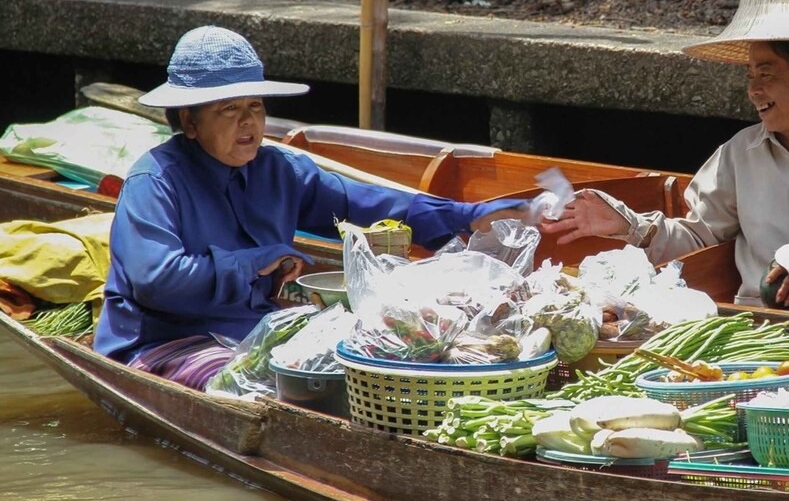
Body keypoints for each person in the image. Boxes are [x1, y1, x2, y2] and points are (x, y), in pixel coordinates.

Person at [93, 25, 526, 389]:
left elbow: (366, 203)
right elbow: (157, 281)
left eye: (256, 107)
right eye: (230, 110)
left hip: (252, 327)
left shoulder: (279, 170)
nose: (249, 123)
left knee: (368, 364)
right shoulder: (154, 181)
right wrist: (256, 262)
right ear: (189, 121)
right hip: (166, 342)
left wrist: (468, 217)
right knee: (261, 387)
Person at [540, 0, 789, 321]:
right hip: (763, 332)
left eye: (767, 73)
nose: (754, 89)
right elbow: (698, 237)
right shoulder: (739, 154)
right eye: (750, 75)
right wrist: (630, 226)